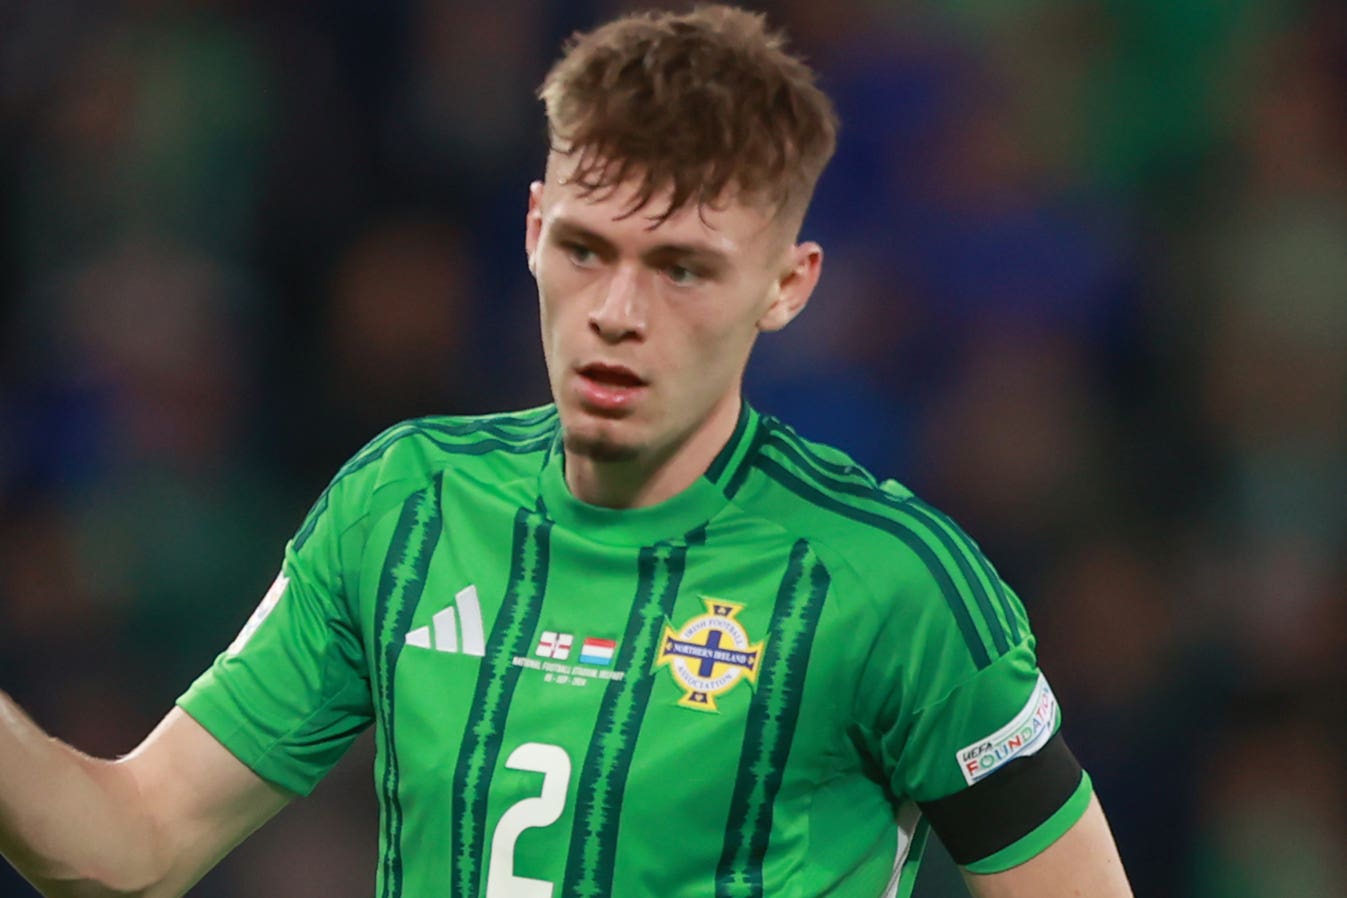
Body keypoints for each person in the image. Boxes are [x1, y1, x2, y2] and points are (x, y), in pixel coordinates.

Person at [0, 6, 1133, 897]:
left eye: (683, 267)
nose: (617, 312)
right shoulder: (405, 506)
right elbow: (130, 845)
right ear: (534, 228)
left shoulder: (893, 585)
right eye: (587, 250)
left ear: (787, 286)